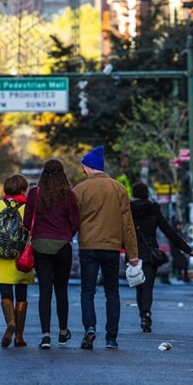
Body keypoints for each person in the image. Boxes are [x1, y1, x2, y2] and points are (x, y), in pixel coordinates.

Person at [72, 146, 139, 350]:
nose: (82, 170)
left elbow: (72, 220)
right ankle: (111, 337)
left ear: (88, 166)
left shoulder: (79, 190)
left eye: (83, 166)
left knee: (87, 291)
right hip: (111, 248)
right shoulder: (119, 188)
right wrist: (133, 254)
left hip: (88, 246)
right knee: (112, 292)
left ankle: (90, 327)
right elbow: (127, 224)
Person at [23, 159, 80, 350]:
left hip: (40, 246)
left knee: (44, 292)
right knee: (61, 290)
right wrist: (65, 235)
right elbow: (75, 222)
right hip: (63, 246)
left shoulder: (34, 194)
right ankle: (63, 332)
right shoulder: (68, 195)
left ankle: (45, 335)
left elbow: (26, 220)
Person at [130, 182, 193, 332]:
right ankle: (146, 313)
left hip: (134, 253)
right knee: (148, 287)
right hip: (151, 252)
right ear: (146, 194)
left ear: (133, 193)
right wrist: (187, 249)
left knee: (139, 287)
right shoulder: (153, 210)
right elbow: (169, 232)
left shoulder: (128, 210)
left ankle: (142, 314)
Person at [0, 174, 33, 348]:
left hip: (0, 258)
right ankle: (19, 336)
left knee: (6, 294)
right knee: (22, 295)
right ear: (23, 189)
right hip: (21, 258)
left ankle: (10, 323)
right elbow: (31, 230)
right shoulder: (28, 206)